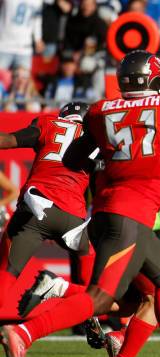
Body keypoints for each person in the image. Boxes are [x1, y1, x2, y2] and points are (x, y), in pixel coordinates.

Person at [0, 51, 160, 357]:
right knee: (102, 298)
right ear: (157, 81)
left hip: (102, 214)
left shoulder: (102, 110)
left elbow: (74, 157)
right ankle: (25, 333)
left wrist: (118, 155)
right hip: (129, 215)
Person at [0, 102, 94, 311]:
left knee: (5, 274)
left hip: (35, 207)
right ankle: (82, 305)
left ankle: (56, 289)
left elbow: (8, 140)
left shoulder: (49, 124)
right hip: (73, 215)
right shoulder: (95, 138)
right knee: (97, 288)